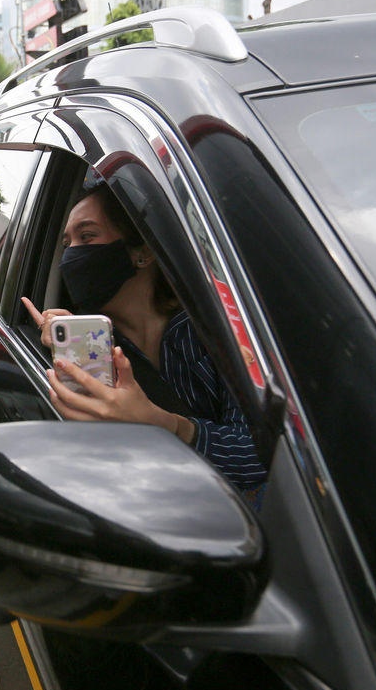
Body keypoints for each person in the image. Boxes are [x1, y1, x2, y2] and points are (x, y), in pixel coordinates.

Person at [22, 183, 266, 499]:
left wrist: (170, 426)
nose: (71, 255)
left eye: (87, 236)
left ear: (143, 253)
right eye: (67, 243)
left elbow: (263, 458)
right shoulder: (90, 351)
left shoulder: (219, 333)